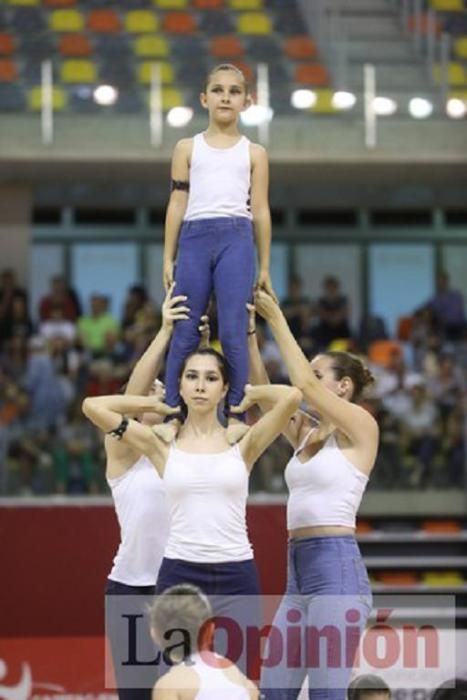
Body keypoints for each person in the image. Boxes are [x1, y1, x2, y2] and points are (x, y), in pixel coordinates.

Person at [82, 333, 302, 677]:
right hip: (178, 573)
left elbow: (292, 397)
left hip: (237, 573)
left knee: (236, 684)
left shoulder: (243, 443)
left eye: (211, 378)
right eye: (192, 377)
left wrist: (249, 396)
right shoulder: (159, 446)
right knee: (176, 684)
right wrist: (156, 405)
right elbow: (93, 407)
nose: (201, 386)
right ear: (180, 387)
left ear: (223, 388)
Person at [247, 291, 378, 700]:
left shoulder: (362, 426)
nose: (306, 378)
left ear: (343, 387)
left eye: (318, 374)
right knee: (273, 692)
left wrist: (277, 317)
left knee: (327, 694)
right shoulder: (306, 431)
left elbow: (298, 383)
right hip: (298, 572)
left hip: (337, 570)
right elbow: (263, 389)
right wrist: (250, 330)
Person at [84, 285, 207, 700]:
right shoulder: (123, 455)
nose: (159, 394)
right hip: (132, 589)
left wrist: (199, 348)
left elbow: (207, 394)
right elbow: (123, 409)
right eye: (152, 392)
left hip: (183, 587)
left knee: (187, 691)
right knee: (136, 694)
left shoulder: (191, 450)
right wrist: (165, 332)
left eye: (164, 392)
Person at [160, 62, 277, 445]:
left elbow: (259, 209)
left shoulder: (255, 153)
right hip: (194, 237)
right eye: (218, 90)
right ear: (204, 98)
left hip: (236, 238)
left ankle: (237, 414)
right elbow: (177, 203)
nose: (226, 96)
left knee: (232, 331)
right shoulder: (186, 148)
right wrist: (168, 256)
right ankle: (172, 414)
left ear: (246, 101)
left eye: (234, 91)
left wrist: (265, 265)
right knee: (184, 327)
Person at [149, 583, 259, 699]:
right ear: (210, 630)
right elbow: (254, 693)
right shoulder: (234, 671)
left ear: (154, 633)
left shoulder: (169, 686)